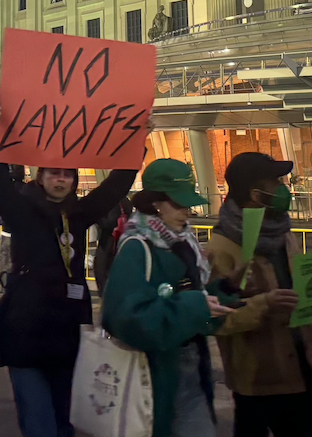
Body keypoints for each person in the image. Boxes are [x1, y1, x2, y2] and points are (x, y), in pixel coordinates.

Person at [0, 104, 138, 437]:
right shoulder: (21, 210)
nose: (61, 179)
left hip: (67, 332)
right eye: (54, 173)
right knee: (39, 423)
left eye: (67, 174)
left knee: (65, 421)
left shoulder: (78, 215)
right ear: (41, 177)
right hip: (26, 329)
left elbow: (115, 187)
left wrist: (136, 139)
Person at [205, 152, 312, 437]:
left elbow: (299, 293)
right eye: (276, 182)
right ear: (256, 194)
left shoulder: (283, 232)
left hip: (303, 371)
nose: (284, 190)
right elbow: (215, 319)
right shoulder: (221, 246)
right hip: (257, 379)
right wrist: (263, 305)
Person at [102, 159, 234, 437]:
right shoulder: (137, 248)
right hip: (152, 375)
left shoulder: (184, 242)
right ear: (155, 203)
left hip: (191, 365)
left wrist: (229, 290)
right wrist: (194, 307)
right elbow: (126, 319)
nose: (187, 211)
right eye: (179, 204)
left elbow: (195, 298)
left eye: (188, 204)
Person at [91, 195, 134, 297]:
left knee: (103, 272)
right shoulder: (125, 201)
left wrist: (97, 218)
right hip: (120, 242)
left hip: (109, 243)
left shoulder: (111, 202)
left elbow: (109, 222)